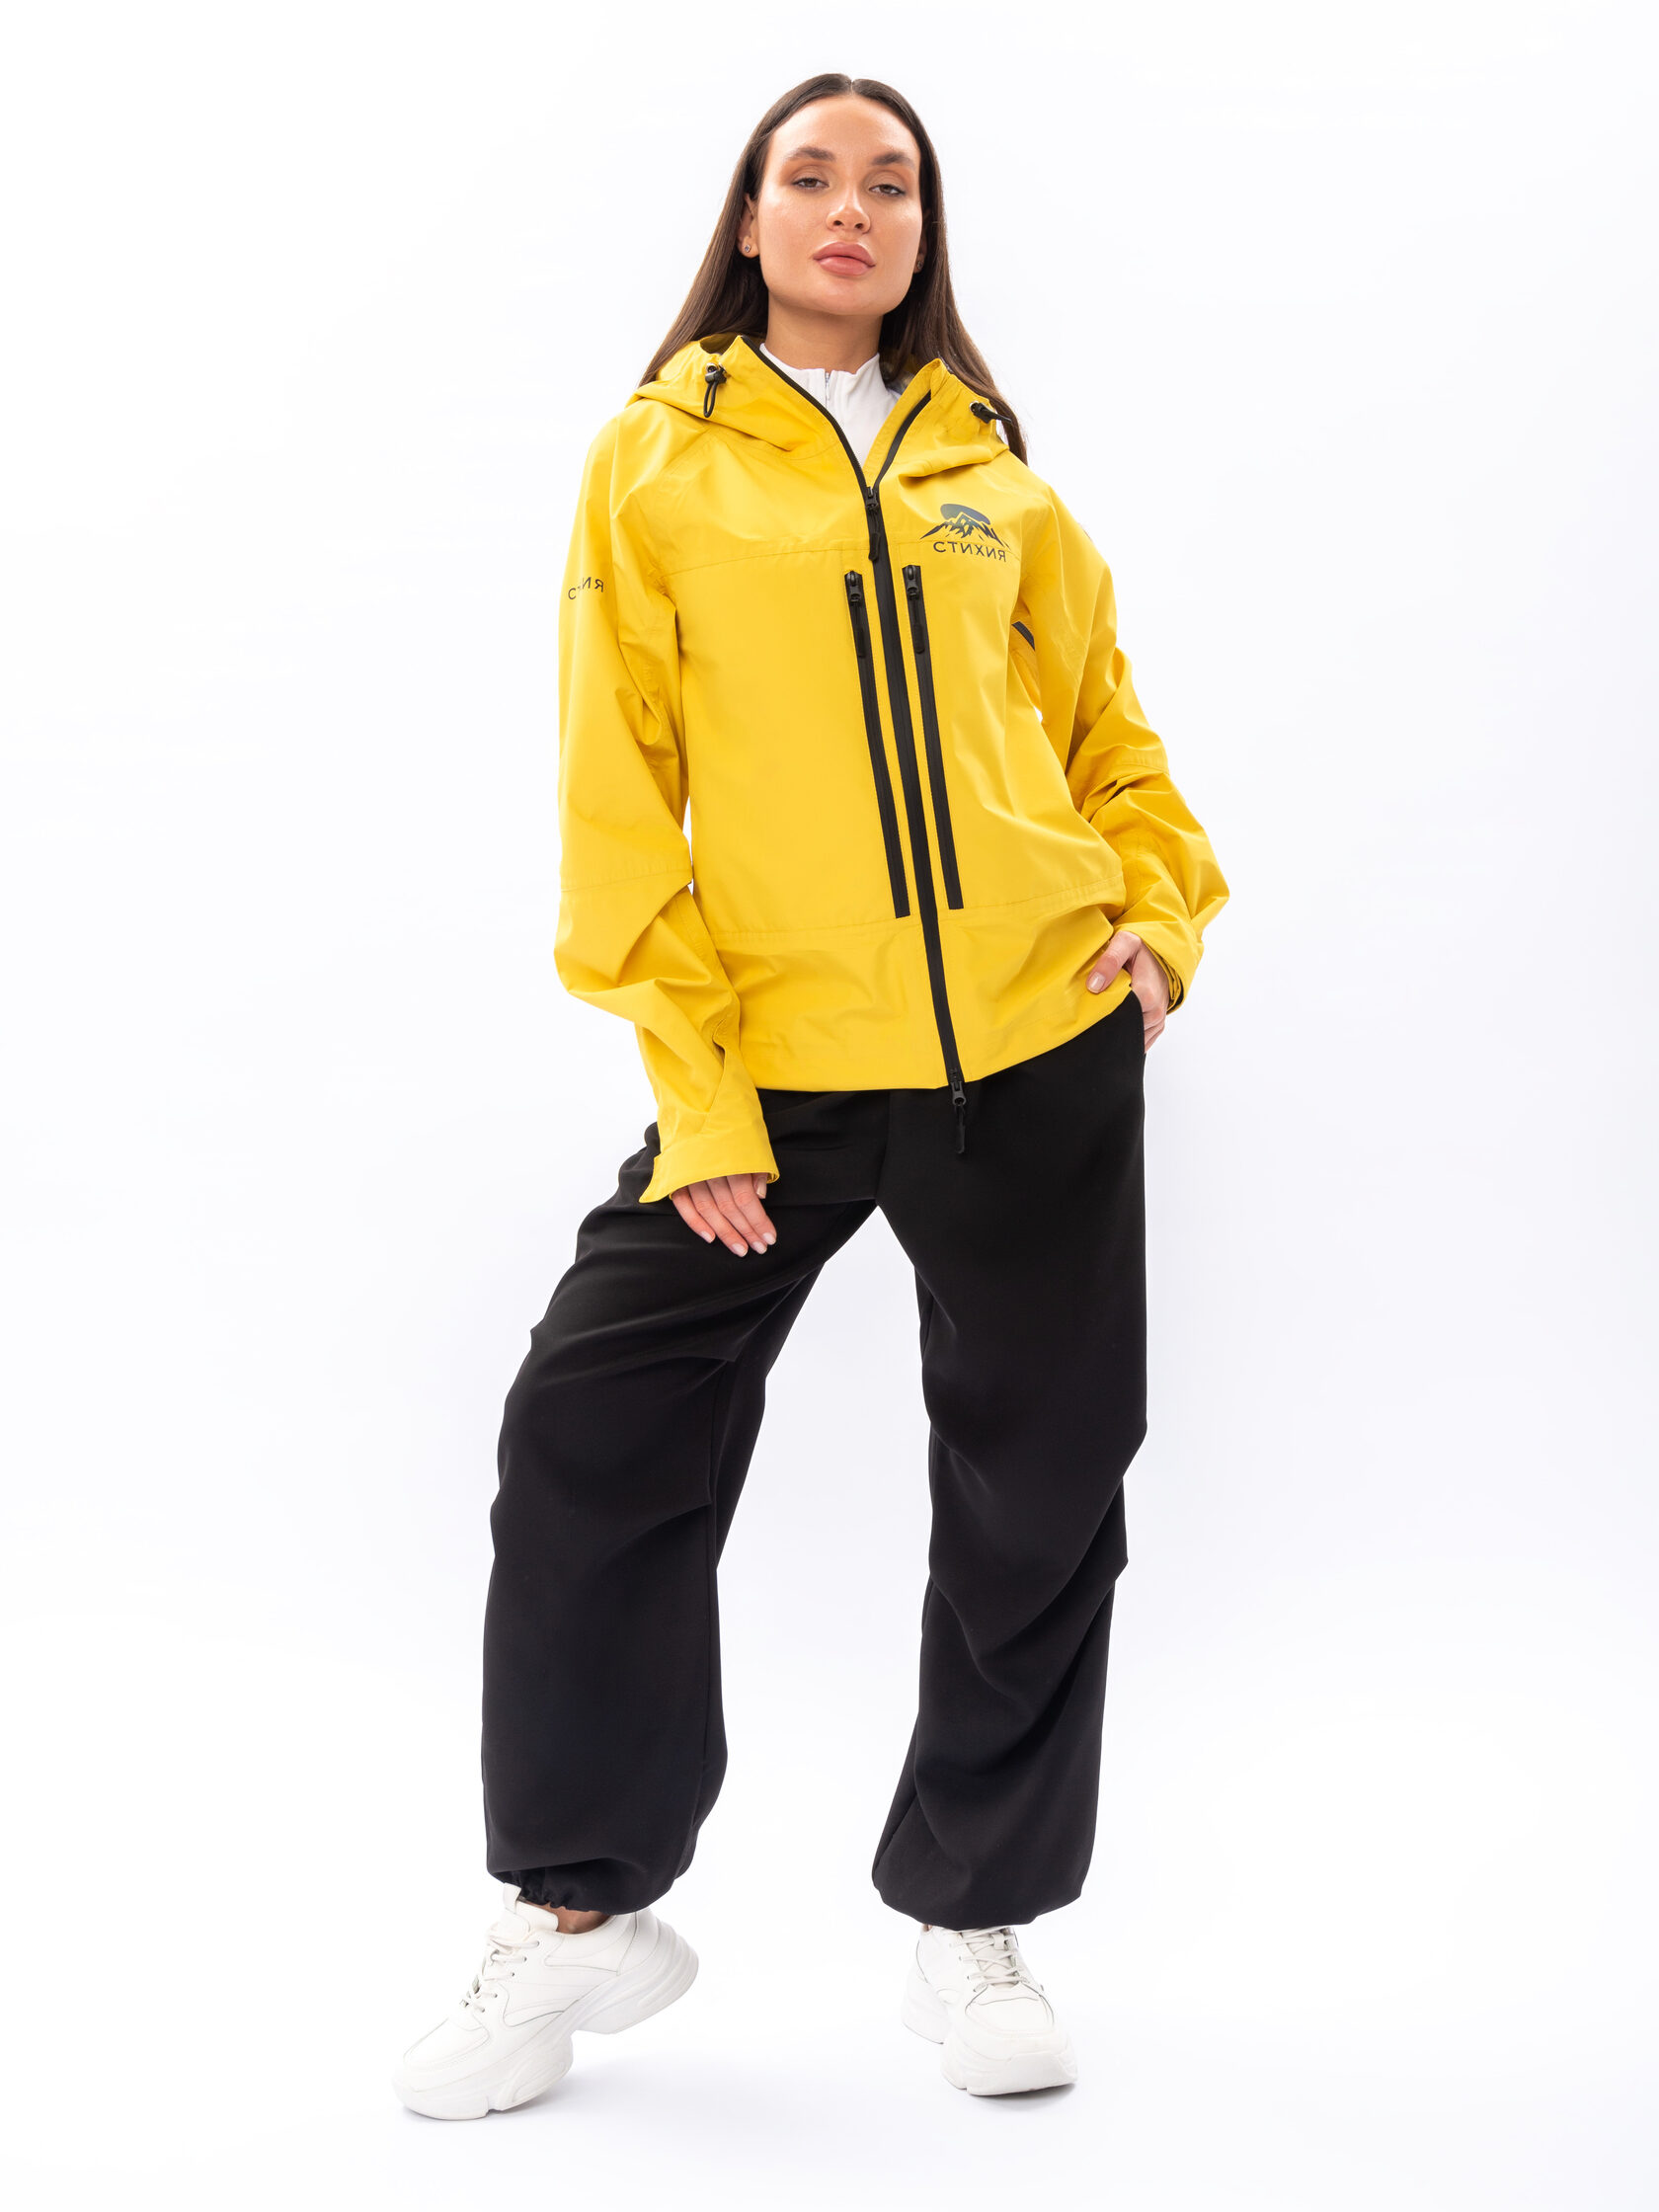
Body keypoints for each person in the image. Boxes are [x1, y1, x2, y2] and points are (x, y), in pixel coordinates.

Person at [393, 72, 1227, 2118]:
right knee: (591, 1427)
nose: (853, 208)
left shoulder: (992, 474)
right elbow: (617, 803)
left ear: (923, 232)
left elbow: (1108, 736)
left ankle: (976, 1917)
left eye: (892, 183)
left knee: (1044, 1484)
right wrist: (704, 1103)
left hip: (1031, 1043)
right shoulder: (658, 460)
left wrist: (1158, 921)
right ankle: (579, 1913)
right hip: (773, 1067)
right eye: (811, 176)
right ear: (751, 219)